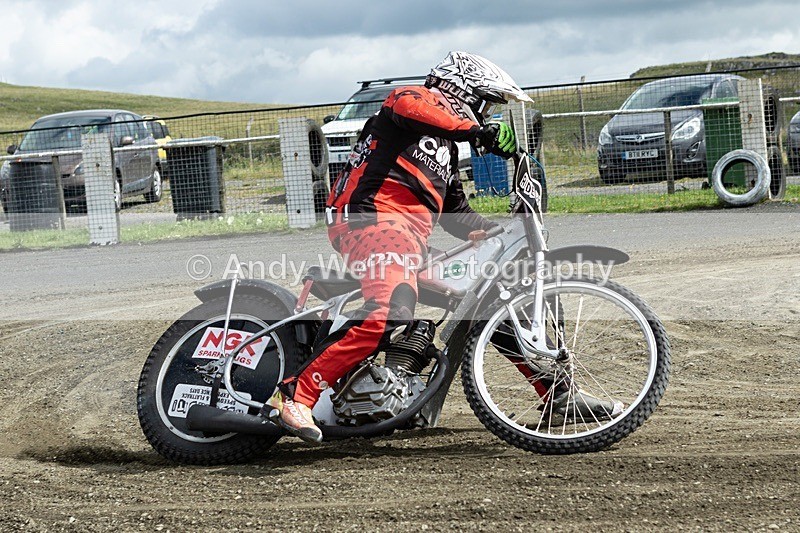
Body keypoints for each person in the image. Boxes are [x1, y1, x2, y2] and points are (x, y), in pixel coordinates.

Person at [266, 51, 613, 443]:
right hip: (371, 220)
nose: (485, 114)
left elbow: (455, 213)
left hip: (409, 239)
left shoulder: (445, 151)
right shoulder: (411, 100)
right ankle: (296, 394)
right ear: (462, 89)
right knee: (389, 308)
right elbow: (408, 107)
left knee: (485, 303)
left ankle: (558, 396)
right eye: (485, 102)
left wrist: (495, 234)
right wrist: (474, 132)